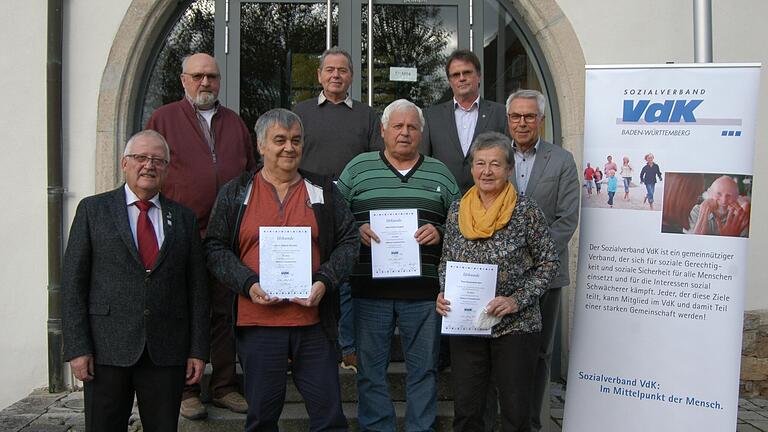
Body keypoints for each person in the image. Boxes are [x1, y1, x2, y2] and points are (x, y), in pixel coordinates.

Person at [204, 109, 358, 432]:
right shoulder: (237, 192)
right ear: (261, 146)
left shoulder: (323, 192)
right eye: (280, 140)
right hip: (258, 324)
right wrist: (247, 283)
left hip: (313, 323)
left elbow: (349, 241)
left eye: (296, 141)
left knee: (330, 417)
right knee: (261, 417)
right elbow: (215, 247)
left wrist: (325, 281)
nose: (289, 148)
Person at [62, 130, 210, 431]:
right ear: (124, 164)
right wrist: (78, 347)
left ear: (167, 168)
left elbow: (197, 289)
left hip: (166, 349)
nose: (149, 165)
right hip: (106, 348)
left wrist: (197, 350)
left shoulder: (183, 218)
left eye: (158, 160)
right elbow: (73, 284)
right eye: (140, 158)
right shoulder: (93, 210)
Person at [337, 99, 460, 431]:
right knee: (371, 372)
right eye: (398, 126)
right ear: (383, 130)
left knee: (424, 370)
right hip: (368, 291)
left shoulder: (440, 172)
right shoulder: (358, 168)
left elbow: (463, 225)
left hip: (424, 295)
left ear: (421, 132)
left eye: (412, 127)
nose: (405, 133)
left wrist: (441, 230)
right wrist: (354, 228)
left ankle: (421, 428)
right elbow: (334, 216)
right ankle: (378, 427)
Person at [146, 52, 255, 418]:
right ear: (183, 80)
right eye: (198, 76)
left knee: (225, 311)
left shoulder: (236, 124)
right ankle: (186, 390)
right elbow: (149, 171)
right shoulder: (163, 119)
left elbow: (250, 175)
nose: (205, 83)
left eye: (211, 76)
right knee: (185, 310)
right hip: (181, 232)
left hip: (225, 234)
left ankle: (224, 385)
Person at [436, 131, 559, 432]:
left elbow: (549, 262)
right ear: (472, 168)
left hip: (515, 327)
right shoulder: (456, 211)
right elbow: (446, 261)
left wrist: (516, 300)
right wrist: (443, 292)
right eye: (480, 163)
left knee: (516, 414)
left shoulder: (526, 211)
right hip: (467, 324)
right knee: (467, 412)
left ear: (509, 168)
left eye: (495, 164)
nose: (486, 171)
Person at [293, 47, 382, 372]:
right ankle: (301, 344)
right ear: (319, 75)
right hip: (306, 207)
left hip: (351, 211)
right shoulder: (300, 112)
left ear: (351, 77)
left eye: (342, 70)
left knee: (344, 279)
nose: (335, 75)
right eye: (329, 69)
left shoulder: (366, 115)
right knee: (306, 273)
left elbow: (376, 164)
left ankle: (347, 346)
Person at [505, 89, 580, 432]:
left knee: (539, 354)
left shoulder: (561, 160)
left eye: (529, 116)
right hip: (500, 275)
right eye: (516, 116)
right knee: (502, 354)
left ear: (541, 120)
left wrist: (533, 257)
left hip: (546, 276)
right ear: (508, 120)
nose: (523, 123)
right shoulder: (493, 156)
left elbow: (566, 219)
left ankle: (533, 424)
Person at [420, 49, 508, 194]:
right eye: (455, 75)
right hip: (445, 201)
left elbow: (508, 158)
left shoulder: (500, 113)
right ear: (450, 81)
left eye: (467, 73)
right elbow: (424, 162)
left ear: (479, 76)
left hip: (490, 201)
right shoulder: (431, 116)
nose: (461, 78)